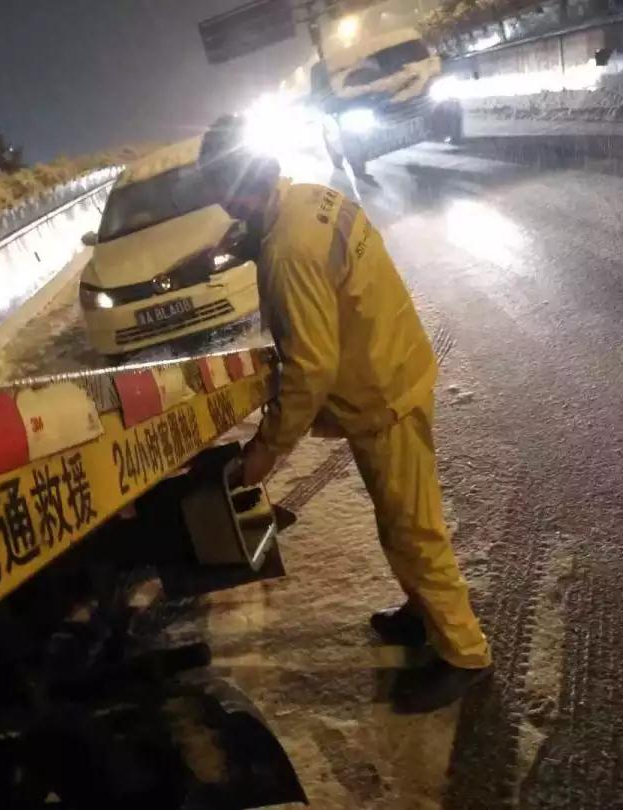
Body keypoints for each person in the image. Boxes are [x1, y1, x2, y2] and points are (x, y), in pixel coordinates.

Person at [199, 115, 493, 713]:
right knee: (400, 521)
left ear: (234, 189)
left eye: (221, 195)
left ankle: (464, 655)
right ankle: (424, 612)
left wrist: (264, 452)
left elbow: (308, 370)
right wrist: (250, 240)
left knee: (412, 530)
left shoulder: (288, 250)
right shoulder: (306, 199)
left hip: (380, 394)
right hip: (389, 363)